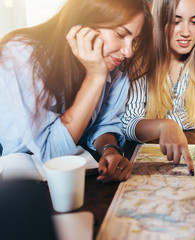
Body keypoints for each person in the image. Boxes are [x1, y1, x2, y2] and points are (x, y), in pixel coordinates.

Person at [0, 0, 153, 181]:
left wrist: (110, 151)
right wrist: (95, 77)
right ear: (83, 26)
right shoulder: (20, 53)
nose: (128, 51)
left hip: (76, 175)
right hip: (16, 177)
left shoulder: (117, 66)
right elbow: (53, 154)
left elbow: (103, 124)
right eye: (120, 34)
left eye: (135, 40)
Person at [122, 0, 195, 175]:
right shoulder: (141, 53)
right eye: (176, 21)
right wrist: (164, 126)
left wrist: (166, 123)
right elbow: (128, 123)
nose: (186, 32)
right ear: (160, 20)